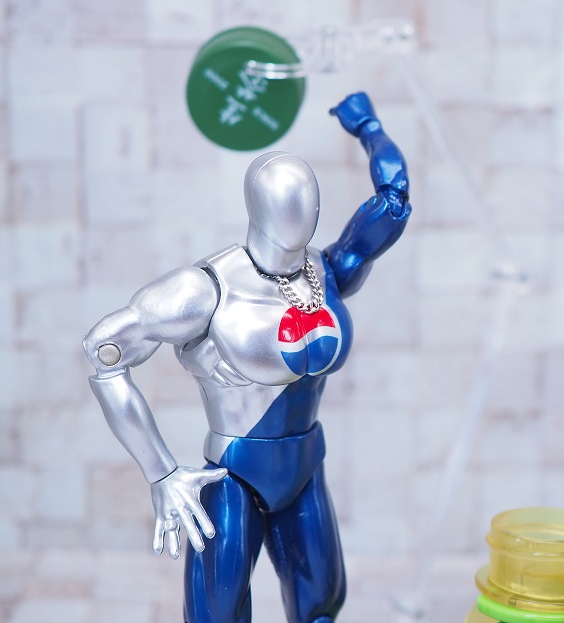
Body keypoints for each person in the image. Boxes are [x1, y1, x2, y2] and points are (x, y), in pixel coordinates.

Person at [82, 92, 411, 623]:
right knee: (216, 614)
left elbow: (393, 201)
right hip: (234, 474)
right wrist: (161, 472)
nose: (301, 217)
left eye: (309, 205)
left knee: (322, 608)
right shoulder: (209, 288)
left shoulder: (324, 271)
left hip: (305, 467)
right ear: (261, 209)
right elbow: (105, 351)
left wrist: (369, 127)